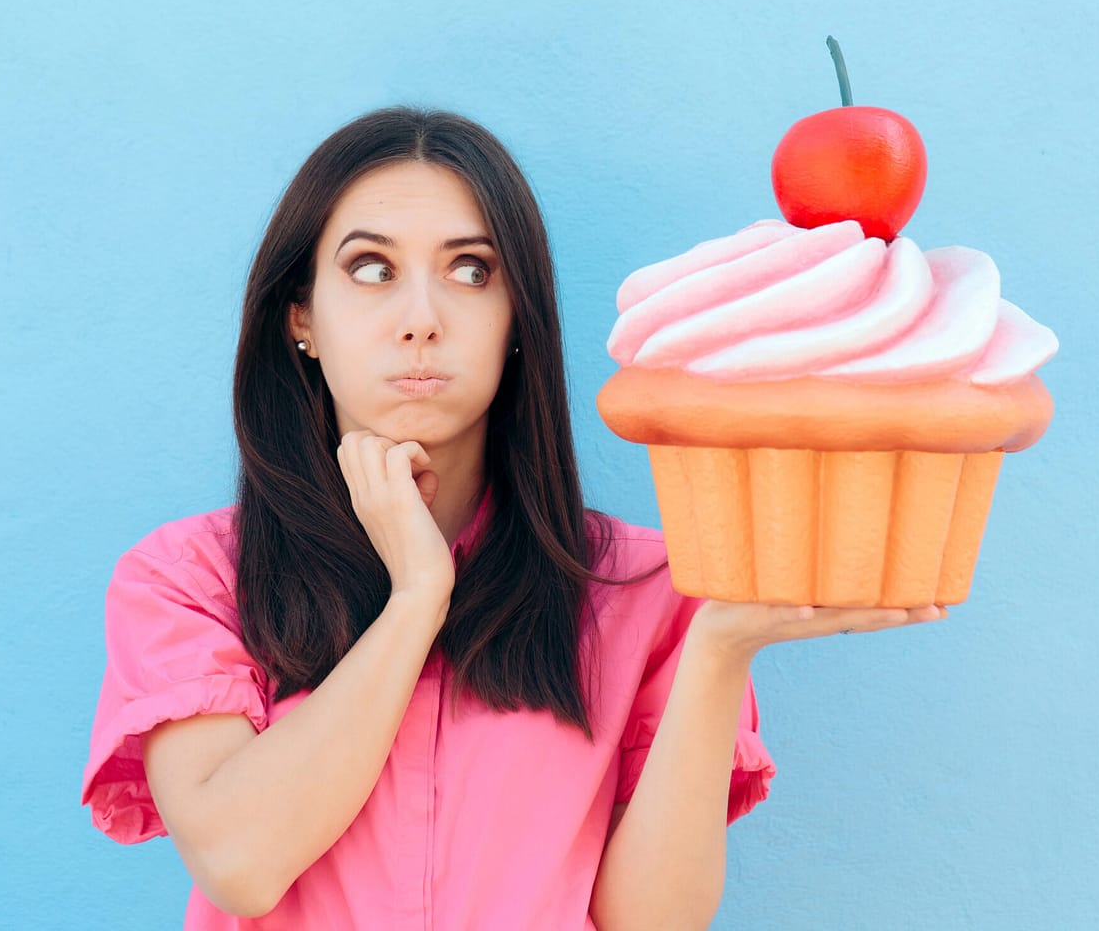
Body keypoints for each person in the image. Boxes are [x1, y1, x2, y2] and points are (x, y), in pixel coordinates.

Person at [80, 106, 946, 930]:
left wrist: (718, 648)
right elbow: (239, 859)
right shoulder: (188, 579)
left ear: (516, 319)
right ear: (301, 317)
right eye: (371, 270)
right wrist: (418, 595)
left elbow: (648, 922)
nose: (421, 321)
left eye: (471, 270)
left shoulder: (644, 591)